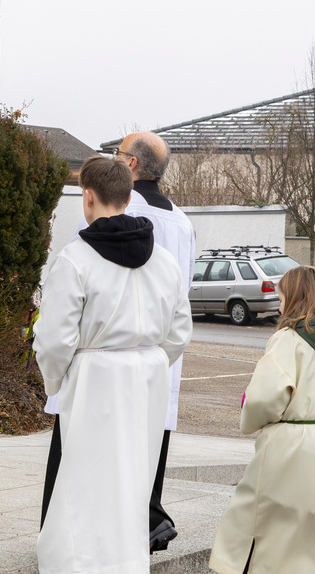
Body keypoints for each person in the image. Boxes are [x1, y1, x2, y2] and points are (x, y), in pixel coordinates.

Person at [39, 132, 196, 555]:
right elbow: (181, 328)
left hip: (93, 378)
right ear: (127, 196)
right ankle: (126, 556)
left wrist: (59, 382)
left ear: (88, 198)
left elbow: (54, 340)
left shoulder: (76, 258)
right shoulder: (166, 251)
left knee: (83, 475)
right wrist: (149, 363)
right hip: (146, 379)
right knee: (133, 474)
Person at [209, 265, 315, 574]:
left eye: (280, 297)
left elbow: (264, 398)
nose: (279, 306)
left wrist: (249, 413)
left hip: (290, 449)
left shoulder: (288, 340)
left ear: (292, 297)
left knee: (262, 531)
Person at [119, 131, 196, 551]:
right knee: (154, 436)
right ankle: (151, 515)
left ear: (132, 164)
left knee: (124, 436)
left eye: (117, 153)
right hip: (167, 347)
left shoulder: (121, 208)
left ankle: (143, 519)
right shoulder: (182, 222)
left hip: (126, 341)